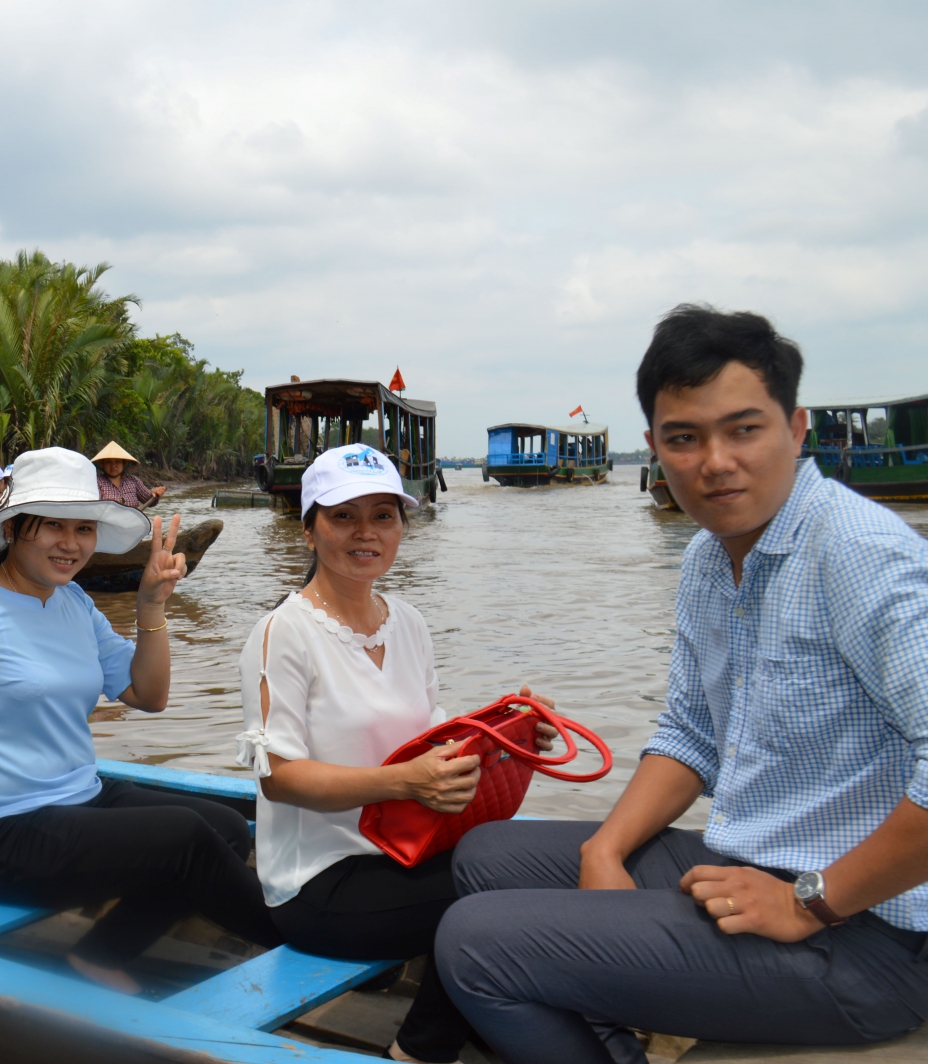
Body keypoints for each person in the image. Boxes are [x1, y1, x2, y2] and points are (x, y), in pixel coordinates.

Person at [436, 305, 928, 1063]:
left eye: (744, 429)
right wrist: (604, 850)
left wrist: (810, 901)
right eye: (684, 438)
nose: (715, 462)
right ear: (655, 449)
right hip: (752, 862)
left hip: (870, 936)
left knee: (473, 947)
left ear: (796, 431)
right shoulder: (710, 558)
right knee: (485, 855)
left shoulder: (860, 555)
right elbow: (692, 733)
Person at [0, 447, 284, 993]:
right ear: (15, 529)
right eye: (53, 527)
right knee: (185, 837)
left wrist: (151, 605)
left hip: (78, 798)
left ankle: (102, 953)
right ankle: (298, 936)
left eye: (83, 528)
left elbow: (148, 694)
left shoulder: (76, 604)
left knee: (227, 828)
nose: (71, 544)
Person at [235, 444, 556, 1063]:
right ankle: (420, 1049)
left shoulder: (407, 622)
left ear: (403, 527)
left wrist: (509, 735)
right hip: (320, 883)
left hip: (408, 849)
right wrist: (405, 784)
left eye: (384, 516)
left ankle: (487, 1021)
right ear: (307, 528)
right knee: (492, 910)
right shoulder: (285, 632)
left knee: (529, 867)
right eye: (343, 516)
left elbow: (432, 742)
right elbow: (278, 777)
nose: (366, 533)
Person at [92, 442, 164, 508]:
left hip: (132, 521)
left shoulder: (133, 481)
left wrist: (156, 493)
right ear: (102, 465)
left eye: (117, 461)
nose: (113, 465)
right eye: (108, 462)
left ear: (124, 464)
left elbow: (150, 502)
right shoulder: (97, 482)